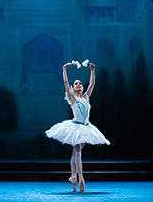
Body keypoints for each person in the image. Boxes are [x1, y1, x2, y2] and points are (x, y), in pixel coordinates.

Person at [45, 62, 109, 192]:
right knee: (78, 150)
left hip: (86, 127)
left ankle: (73, 176)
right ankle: (81, 177)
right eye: (76, 84)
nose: (78, 84)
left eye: (80, 83)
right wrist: (64, 69)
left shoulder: (86, 97)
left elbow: (92, 84)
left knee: (75, 151)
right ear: (73, 88)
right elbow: (65, 83)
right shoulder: (73, 99)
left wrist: (92, 71)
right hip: (76, 127)